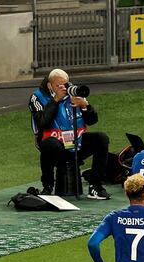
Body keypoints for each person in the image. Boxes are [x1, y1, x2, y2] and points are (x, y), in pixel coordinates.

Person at [29, 68, 111, 199]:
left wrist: (85, 106)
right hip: (56, 147)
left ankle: (95, 186)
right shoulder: (37, 97)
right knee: (49, 144)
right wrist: (55, 100)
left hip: (77, 142)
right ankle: (47, 187)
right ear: (50, 85)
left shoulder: (75, 92)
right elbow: (42, 123)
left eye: (65, 84)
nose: (63, 88)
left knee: (102, 138)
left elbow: (92, 121)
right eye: (58, 85)